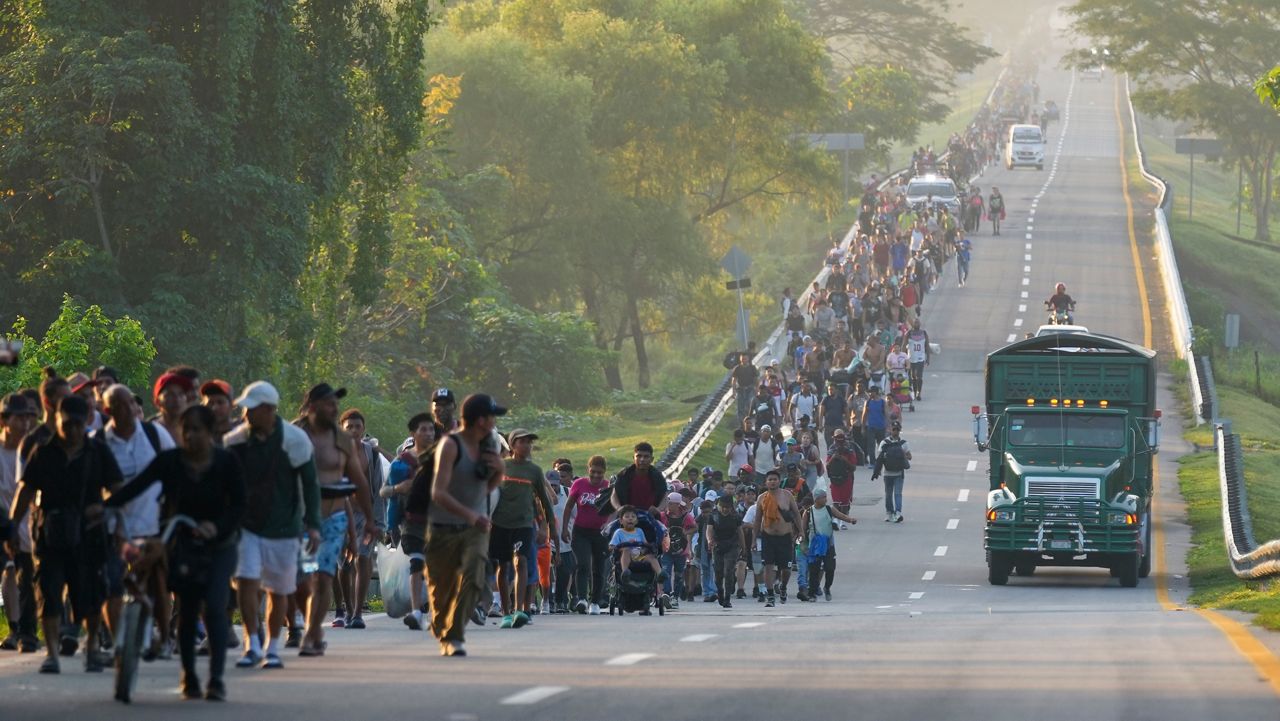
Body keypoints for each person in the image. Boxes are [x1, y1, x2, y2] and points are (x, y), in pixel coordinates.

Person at [105, 404, 245, 701]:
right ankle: (190, 675)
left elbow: (239, 506)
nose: (191, 436)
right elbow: (136, 487)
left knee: (216, 608)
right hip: (179, 542)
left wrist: (216, 528)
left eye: (197, 430)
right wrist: (104, 506)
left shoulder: (226, 462)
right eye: (187, 430)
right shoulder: (169, 461)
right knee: (188, 607)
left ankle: (216, 680)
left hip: (219, 545)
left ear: (210, 433)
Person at [8, 394, 123, 674]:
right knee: (48, 593)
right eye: (66, 423)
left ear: (86, 422)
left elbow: (118, 489)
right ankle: (52, 654)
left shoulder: (98, 451)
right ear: (57, 419)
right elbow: (25, 492)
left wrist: (106, 511)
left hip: (90, 534)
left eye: (77, 424)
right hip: (51, 534)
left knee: (91, 595)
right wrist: (11, 529)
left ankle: (93, 646)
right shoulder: (43, 452)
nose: (71, 430)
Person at [224, 381, 321, 670]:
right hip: (247, 527)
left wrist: (313, 524)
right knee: (246, 581)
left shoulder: (295, 440)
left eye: (251, 410)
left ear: (268, 410)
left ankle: (273, 647)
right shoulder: (236, 441)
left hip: (284, 528)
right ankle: (252, 643)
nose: (245, 415)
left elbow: (310, 484)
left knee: (279, 591)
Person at [95, 384, 177, 661]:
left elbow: (174, 470)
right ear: (108, 410)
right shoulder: (99, 442)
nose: (129, 408)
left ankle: (165, 638)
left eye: (131, 402)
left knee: (159, 583)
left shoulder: (155, 435)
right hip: (113, 527)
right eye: (120, 404)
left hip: (153, 523)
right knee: (112, 583)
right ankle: (121, 643)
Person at [292, 384, 375, 656]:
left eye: (336, 404)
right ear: (313, 406)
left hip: (334, 517)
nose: (335, 409)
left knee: (325, 576)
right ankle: (307, 625)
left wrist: (369, 520)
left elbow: (359, 481)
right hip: (300, 518)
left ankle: (312, 633)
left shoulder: (341, 439)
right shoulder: (293, 435)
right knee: (303, 580)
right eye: (329, 404)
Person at [427, 393, 507, 658]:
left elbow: (486, 488)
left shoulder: (490, 444)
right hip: (443, 527)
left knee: (474, 578)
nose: (495, 421)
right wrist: (470, 515)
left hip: (476, 528)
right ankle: (443, 627)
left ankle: (455, 635)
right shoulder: (451, 445)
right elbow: (438, 493)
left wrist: (499, 471)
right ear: (480, 420)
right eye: (492, 416)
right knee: (442, 592)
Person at [489, 428, 554, 629]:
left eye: (529, 442)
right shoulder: (500, 466)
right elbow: (487, 494)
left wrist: (548, 528)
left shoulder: (534, 471)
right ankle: (506, 613)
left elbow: (545, 500)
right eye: (522, 442)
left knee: (522, 562)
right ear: (512, 445)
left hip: (524, 525)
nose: (526, 445)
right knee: (503, 566)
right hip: (500, 524)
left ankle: (519, 610)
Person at [379, 413, 435, 631]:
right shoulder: (401, 463)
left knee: (434, 567)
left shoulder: (442, 458)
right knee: (416, 564)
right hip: (411, 521)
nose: (428, 433)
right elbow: (383, 491)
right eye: (423, 429)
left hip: (439, 520)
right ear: (413, 433)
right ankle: (416, 611)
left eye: (431, 429)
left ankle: (432, 609)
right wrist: (397, 489)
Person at [335, 409, 386, 631]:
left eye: (358, 427)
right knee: (344, 564)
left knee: (363, 558)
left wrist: (376, 520)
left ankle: (357, 613)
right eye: (349, 427)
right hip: (339, 514)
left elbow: (377, 488)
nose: (354, 431)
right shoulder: (335, 453)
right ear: (342, 429)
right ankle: (346, 608)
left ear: (363, 429)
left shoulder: (371, 454)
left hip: (365, 517)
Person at [0, 393, 39, 653]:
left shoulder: (33, 450)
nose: (25, 425)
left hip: (25, 520)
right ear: (4, 420)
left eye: (28, 418)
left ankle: (23, 632)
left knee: (23, 576)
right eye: (19, 418)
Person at [562, 455, 610, 615]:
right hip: (580, 531)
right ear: (588, 469)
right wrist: (564, 529)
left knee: (599, 567)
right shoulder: (579, 484)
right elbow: (568, 507)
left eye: (600, 473)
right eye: (593, 472)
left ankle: (595, 601)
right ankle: (581, 599)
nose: (596, 476)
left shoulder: (609, 486)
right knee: (582, 564)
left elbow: (616, 509)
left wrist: (609, 524)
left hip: (600, 533)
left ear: (604, 472)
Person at [752, 470, 801, 608]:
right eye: (770, 479)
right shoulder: (762, 498)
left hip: (785, 537)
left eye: (775, 479)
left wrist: (801, 531)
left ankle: (783, 587)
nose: (772, 481)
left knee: (786, 569)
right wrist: (754, 539)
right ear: (766, 482)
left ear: (779, 481)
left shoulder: (787, 495)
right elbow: (757, 520)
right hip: (768, 537)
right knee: (768, 566)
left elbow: (796, 514)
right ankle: (770, 595)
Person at [803, 488, 856, 602]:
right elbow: (801, 532)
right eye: (823, 497)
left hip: (828, 544)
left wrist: (850, 520)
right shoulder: (808, 512)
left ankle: (827, 587)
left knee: (830, 568)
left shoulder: (829, 509)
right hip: (815, 546)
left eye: (826, 497)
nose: (826, 499)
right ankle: (812, 593)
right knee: (814, 570)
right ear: (816, 499)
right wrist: (802, 546)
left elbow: (841, 516)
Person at [706, 495, 744, 609]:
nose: (724, 509)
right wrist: (709, 540)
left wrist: (744, 548)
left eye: (727, 507)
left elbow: (740, 532)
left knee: (728, 571)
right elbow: (709, 530)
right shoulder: (713, 515)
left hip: (732, 545)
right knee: (718, 574)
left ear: (731, 507)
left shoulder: (736, 516)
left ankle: (727, 598)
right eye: (722, 507)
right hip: (718, 546)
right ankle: (720, 591)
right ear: (718, 505)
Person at [610, 442, 668, 517]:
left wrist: (658, 509)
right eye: (639, 456)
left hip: (651, 518)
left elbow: (665, 496)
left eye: (646, 457)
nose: (642, 459)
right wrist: (619, 508)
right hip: (626, 518)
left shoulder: (658, 477)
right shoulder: (624, 475)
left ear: (652, 459)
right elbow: (614, 495)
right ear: (633, 458)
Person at [872, 421, 913, 523]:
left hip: (890, 473)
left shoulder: (884, 443)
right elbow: (910, 457)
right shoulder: (903, 443)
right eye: (894, 429)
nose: (895, 431)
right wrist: (903, 454)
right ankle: (896, 513)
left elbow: (879, 458)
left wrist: (878, 470)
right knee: (896, 494)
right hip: (896, 473)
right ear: (891, 430)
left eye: (897, 429)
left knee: (889, 494)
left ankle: (890, 513)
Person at [659, 492, 695, 606]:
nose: (668, 506)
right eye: (667, 503)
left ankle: (675, 597)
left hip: (681, 550)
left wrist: (685, 532)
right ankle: (667, 594)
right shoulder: (662, 516)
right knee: (666, 571)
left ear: (677, 504)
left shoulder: (686, 516)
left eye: (670, 504)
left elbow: (694, 527)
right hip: (666, 549)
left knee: (679, 574)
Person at [609, 505, 663, 581]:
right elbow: (611, 546)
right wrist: (621, 547)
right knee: (626, 550)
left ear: (636, 520)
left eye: (633, 517)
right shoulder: (619, 532)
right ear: (621, 521)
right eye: (627, 517)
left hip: (640, 555)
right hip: (626, 556)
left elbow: (645, 544)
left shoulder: (639, 531)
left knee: (651, 557)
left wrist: (648, 547)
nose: (630, 518)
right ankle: (625, 571)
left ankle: (660, 573)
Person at [825, 429, 860, 528]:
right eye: (837, 439)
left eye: (841, 439)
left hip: (846, 479)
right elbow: (827, 465)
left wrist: (845, 460)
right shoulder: (831, 449)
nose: (839, 442)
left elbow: (854, 467)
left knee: (844, 503)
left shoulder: (849, 450)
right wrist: (833, 458)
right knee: (836, 502)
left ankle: (843, 522)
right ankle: (835, 520)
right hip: (834, 479)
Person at [861, 386, 889, 469]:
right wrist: (863, 427)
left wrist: (888, 426)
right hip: (871, 427)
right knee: (871, 446)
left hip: (881, 427)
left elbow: (886, 414)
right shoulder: (868, 402)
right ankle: (872, 462)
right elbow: (864, 415)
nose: (870, 394)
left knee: (881, 446)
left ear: (876, 392)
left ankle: (880, 462)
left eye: (871, 392)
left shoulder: (882, 402)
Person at [905, 320, 931, 401]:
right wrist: (903, 357)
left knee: (919, 376)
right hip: (911, 358)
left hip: (921, 358)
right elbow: (903, 345)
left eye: (918, 322)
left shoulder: (924, 333)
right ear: (913, 324)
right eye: (915, 322)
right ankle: (915, 391)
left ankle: (918, 393)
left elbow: (927, 346)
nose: (917, 324)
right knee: (913, 377)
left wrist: (928, 358)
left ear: (920, 324)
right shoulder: (909, 333)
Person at [731, 354, 758, 424]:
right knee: (740, 407)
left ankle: (749, 421)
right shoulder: (737, 368)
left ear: (748, 359)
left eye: (745, 359)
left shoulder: (752, 368)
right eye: (742, 359)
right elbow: (734, 380)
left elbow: (756, 380)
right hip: (740, 389)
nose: (744, 360)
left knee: (749, 404)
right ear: (740, 359)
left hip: (750, 388)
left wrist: (757, 390)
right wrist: (733, 391)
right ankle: (741, 424)